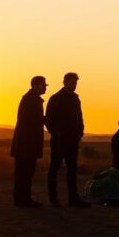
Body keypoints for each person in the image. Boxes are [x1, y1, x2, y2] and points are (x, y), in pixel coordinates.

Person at [45, 72, 90, 208]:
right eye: (71, 83)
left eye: (75, 83)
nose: (74, 85)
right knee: (55, 168)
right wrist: (57, 134)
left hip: (73, 140)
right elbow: (49, 120)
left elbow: (80, 117)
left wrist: (80, 132)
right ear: (64, 82)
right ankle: (53, 199)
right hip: (60, 140)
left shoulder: (76, 99)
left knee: (72, 169)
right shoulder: (56, 98)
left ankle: (73, 198)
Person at [11, 75, 47, 207]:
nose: (45, 88)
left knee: (25, 172)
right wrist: (48, 119)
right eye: (43, 85)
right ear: (35, 85)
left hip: (25, 143)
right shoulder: (31, 100)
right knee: (24, 172)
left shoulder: (30, 99)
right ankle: (23, 200)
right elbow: (33, 121)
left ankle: (22, 199)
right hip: (27, 144)